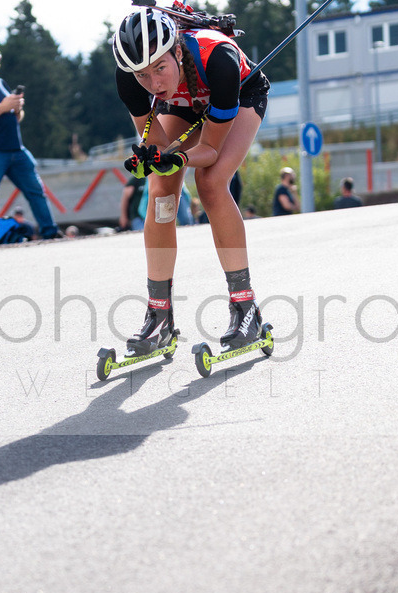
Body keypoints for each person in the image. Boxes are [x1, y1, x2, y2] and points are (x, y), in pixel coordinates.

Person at [113, 6, 271, 354]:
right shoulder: (130, 79)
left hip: (238, 93)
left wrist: (179, 157)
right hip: (184, 103)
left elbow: (211, 149)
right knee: (160, 192)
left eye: (159, 68)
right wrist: (152, 158)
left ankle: (246, 309)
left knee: (211, 183)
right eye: (142, 75)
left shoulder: (219, 59)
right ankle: (159, 315)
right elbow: (153, 143)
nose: (153, 83)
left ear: (177, 51)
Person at [0, 40, 63, 240]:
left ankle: (50, 233)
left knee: (36, 190)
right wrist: (1, 107)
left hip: (16, 149)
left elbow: (15, 117)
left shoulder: (0, 82)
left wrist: (16, 108)